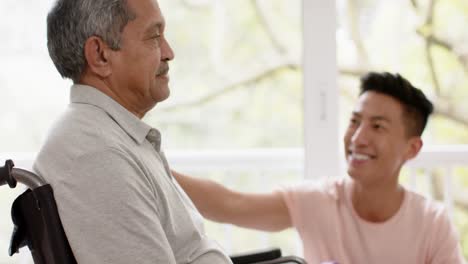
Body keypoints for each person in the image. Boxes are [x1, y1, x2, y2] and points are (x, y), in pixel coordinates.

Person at [173, 72, 466, 264]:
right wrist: (151, 166)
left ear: (411, 148)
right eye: (354, 121)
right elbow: (230, 204)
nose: (358, 137)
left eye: (377, 126)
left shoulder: (432, 224)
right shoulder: (319, 201)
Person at [33, 0, 232, 263]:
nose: (168, 52)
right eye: (154, 36)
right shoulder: (95, 155)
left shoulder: (112, 137)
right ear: (100, 55)